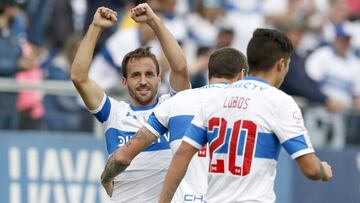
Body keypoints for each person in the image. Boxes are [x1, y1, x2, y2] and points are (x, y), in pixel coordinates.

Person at [159, 28, 333, 203]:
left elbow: (182, 155)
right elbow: (310, 168)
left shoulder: (215, 98)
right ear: (281, 64)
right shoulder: (279, 101)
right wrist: (323, 170)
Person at [70, 3, 190, 203]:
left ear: (159, 79)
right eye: (136, 75)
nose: (143, 81)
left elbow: (180, 68)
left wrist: (154, 22)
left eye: (149, 74)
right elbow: (78, 77)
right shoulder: (114, 113)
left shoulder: (172, 106)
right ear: (124, 81)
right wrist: (95, 27)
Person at [100, 47, 248, 202]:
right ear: (241, 75)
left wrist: (106, 177)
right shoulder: (253, 108)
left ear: (209, 74)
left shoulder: (177, 102)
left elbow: (122, 157)